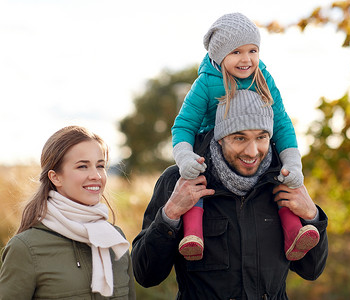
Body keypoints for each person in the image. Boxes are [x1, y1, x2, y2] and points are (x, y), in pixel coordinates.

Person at [132, 90, 328, 299]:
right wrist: (170, 214)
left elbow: (311, 270)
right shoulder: (179, 180)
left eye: (261, 137)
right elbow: (145, 275)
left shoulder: (284, 180)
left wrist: (311, 216)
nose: (252, 151)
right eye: (239, 138)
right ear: (219, 138)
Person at [171, 12, 318, 261]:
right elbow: (184, 125)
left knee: (279, 178)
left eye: (252, 50)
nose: (246, 59)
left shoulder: (263, 78)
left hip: (258, 144)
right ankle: (193, 234)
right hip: (212, 146)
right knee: (198, 182)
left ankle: (294, 232)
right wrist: (185, 156)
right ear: (219, 55)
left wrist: (293, 162)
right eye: (236, 52)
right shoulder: (206, 83)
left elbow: (281, 123)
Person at [0, 125, 136, 299]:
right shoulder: (26, 248)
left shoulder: (115, 239)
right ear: (55, 177)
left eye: (100, 166)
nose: (96, 175)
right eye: (82, 166)